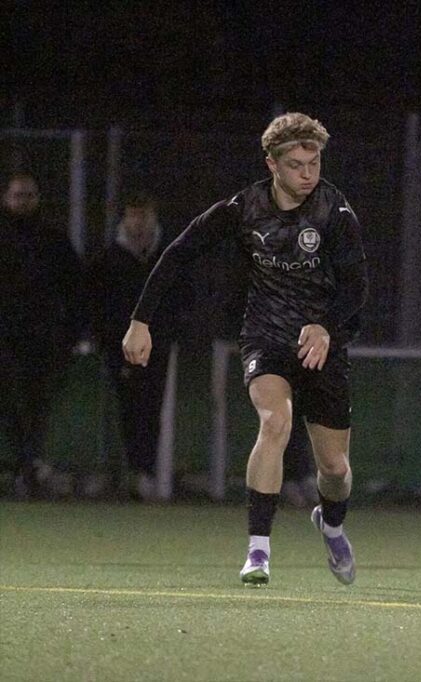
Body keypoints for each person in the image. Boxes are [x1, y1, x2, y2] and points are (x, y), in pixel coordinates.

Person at [122, 112, 368, 587]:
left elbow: (357, 287)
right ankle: (258, 552)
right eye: (296, 164)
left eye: (313, 162)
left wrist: (326, 328)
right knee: (275, 421)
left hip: (322, 345)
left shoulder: (334, 212)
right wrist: (140, 320)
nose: (307, 173)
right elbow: (178, 254)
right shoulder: (243, 208)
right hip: (267, 336)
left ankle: (331, 524)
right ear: (271, 164)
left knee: (335, 469)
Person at [0, 172, 83, 498]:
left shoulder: (53, 239)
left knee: (36, 406)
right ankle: (25, 466)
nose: (24, 201)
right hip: (4, 339)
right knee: (10, 405)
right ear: (6, 198)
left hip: (41, 340)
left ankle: (28, 467)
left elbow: (74, 289)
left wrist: (71, 334)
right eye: (18, 195)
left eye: (29, 195)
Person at [89, 192, 173, 501]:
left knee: (152, 410)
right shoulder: (109, 259)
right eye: (133, 215)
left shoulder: (167, 256)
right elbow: (98, 304)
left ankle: (145, 472)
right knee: (123, 410)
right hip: (118, 349)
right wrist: (109, 340)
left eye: (144, 215)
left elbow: (181, 301)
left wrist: (168, 334)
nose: (139, 222)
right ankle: (124, 473)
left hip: (158, 348)